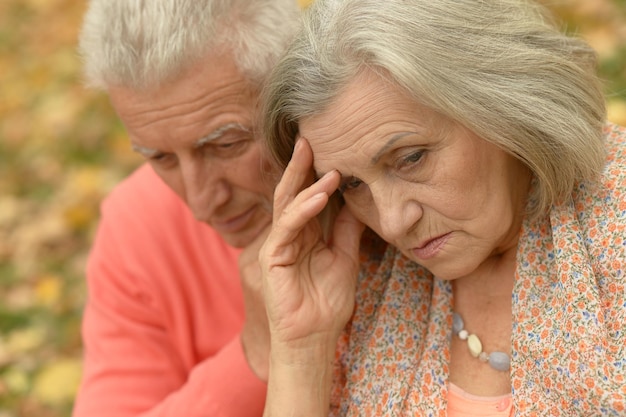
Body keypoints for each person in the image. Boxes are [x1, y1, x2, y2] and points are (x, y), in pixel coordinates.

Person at [259, 0, 626, 415]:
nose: (393, 223)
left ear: (499, 101)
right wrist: (302, 351)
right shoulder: (358, 276)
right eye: (353, 185)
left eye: (411, 158)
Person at [71, 1, 300, 416]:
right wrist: (256, 355)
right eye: (161, 158)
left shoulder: (400, 196)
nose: (199, 203)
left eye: (226, 144)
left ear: (295, 88)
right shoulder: (137, 226)